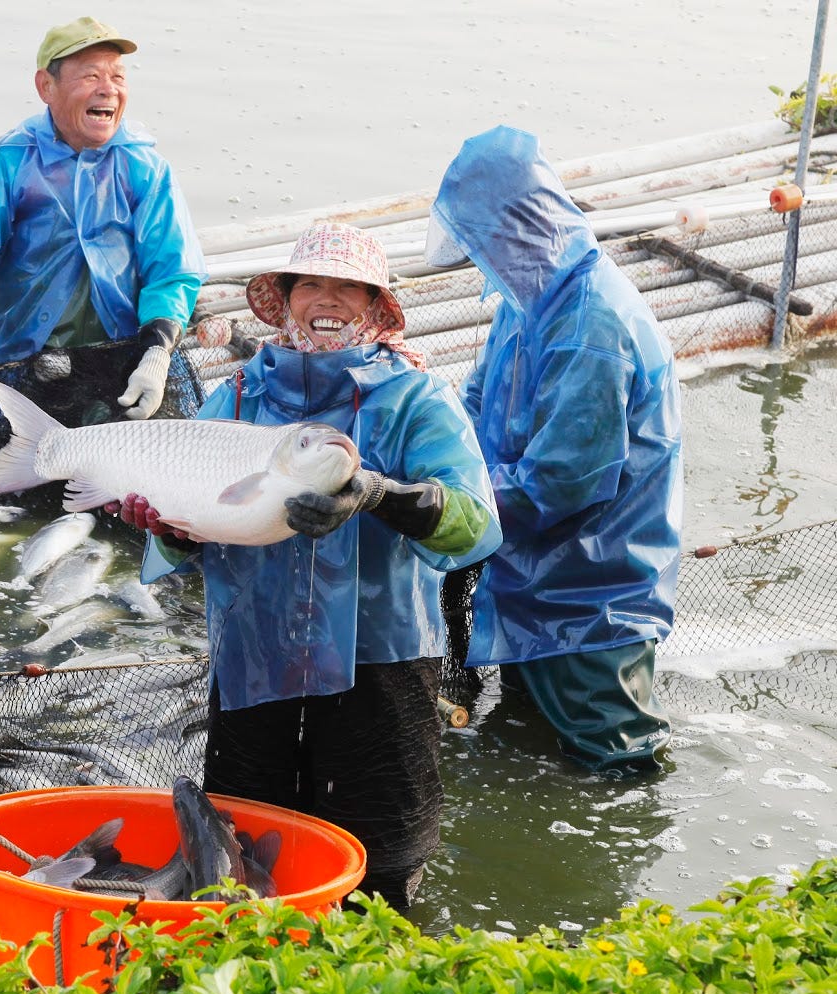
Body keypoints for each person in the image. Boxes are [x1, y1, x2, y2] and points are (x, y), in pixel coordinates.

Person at [116, 223, 500, 910]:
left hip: (381, 666)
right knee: (241, 858)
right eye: (311, 285)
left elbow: (477, 527)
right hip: (252, 663)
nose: (328, 299)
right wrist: (167, 529)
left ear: (378, 307)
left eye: (349, 287)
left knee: (379, 862)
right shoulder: (235, 400)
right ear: (286, 300)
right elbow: (186, 542)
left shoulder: (418, 399)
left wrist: (379, 494)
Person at [428, 126, 683, 772]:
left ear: (523, 226)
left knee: (616, 769)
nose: (483, 261)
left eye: (486, 242)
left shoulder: (593, 325)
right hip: (529, 587)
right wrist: (426, 451)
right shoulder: (527, 301)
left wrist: (441, 508)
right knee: (528, 756)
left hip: (593, 604)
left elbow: (563, 484)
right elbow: (476, 407)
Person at [0, 16, 206, 420]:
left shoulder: (146, 169)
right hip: (14, 360)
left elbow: (172, 273)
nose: (108, 89)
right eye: (91, 76)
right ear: (46, 86)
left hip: (119, 360)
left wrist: (157, 353)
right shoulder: (4, 164)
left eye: (118, 76)